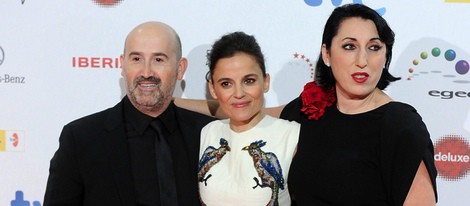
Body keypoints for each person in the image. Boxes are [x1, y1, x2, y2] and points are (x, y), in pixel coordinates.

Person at [174, 4, 438, 206]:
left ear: (385, 55)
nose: (362, 60)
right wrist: (173, 102)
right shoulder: (313, 109)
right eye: (349, 46)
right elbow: (247, 107)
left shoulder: (400, 124)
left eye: (374, 47)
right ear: (326, 54)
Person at [43, 21, 215, 206]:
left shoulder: (208, 134)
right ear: (123, 65)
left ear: (180, 69)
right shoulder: (81, 139)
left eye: (158, 59)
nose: (147, 72)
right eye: (136, 59)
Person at [197, 31, 299, 206]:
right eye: (226, 84)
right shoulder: (208, 132)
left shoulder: (292, 135)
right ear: (213, 89)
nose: (238, 94)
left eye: (249, 81)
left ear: (265, 82)